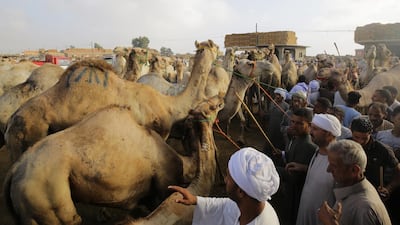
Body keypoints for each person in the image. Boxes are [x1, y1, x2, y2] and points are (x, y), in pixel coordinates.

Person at [169, 147, 280, 225]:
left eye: (228, 176)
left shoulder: (265, 221)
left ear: (240, 192)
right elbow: (225, 205)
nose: (224, 180)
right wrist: (195, 200)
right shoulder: (249, 205)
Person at [318, 140, 392, 225]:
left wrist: (331, 223)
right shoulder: (350, 189)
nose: (328, 170)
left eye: (334, 166)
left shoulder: (364, 208)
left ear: (354, 170)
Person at [273, 108, 317, 225]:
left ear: (309, 125)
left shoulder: (307, 145)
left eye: (299, 123)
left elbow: (294, 176)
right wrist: (282, 154)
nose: (293, 125)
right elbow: (292, 157)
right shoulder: (296, 137)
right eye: (292, 122)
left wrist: (272, 169)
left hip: (296, 194)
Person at [296, 113, 341, 225]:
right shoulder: (318, 151)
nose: (310, 132)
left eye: (315, 129)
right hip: (304, 213)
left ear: (329, 134)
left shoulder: (339, 162)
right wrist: (304, 168)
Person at [350, 117, 400, 199]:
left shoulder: (382, 150)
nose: (360, 141)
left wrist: (388, 189)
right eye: (356, 137)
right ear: (351, 132)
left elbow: (398, 172)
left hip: (373, 194)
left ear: (370, 133)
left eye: (364, 138)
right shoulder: (345, 146)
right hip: (349, 192)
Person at [264, 88, 290, 152]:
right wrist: (264, 115)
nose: (277, 96)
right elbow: (269, 114)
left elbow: (287, 120)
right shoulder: (272, 103)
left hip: (279, 130)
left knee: (278, 146)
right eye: (276, 95)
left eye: (279, 95)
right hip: (271, 128)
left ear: (283, 96)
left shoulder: (286, 106)